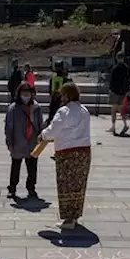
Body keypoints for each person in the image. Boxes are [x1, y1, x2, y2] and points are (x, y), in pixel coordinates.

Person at [39, 81, 92, 229]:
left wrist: (42, 136)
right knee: (78, 185)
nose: (61, 97)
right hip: (84, 153)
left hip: (67, 153)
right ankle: (74, 216)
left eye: (63, 94)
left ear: (67, 95)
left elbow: (52, 131)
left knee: (66, 185)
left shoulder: (64, 111)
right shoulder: (84, 110)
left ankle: (68, 219)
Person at [5, 81, 43, 200]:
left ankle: (31, 188)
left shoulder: (36, 107)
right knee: (15, 167)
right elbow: (8, 127)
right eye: (24, 92)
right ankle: (12, 188)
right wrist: (9, 143)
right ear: (19, 93)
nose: (26, 95)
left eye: (28, 92)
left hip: (32, 142)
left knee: (32, 168)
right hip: (18, 142)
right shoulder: (13, 108)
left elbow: (40, 125)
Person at [109, 58, 130, 135]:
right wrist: (127, 90)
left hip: (115, 91)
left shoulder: (115, 68)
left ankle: (114, 127)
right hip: (122, 91)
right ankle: (123, 125)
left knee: (114, 110)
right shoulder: (126, 68)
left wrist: (110, 89)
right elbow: (128, 80)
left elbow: (112, 80)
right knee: (120, 109)